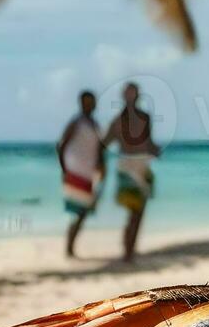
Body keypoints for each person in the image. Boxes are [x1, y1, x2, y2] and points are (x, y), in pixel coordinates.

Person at [104, 83, 160, 262]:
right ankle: (128, 251)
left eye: (132, 94)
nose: (130, 97)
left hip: (142, 166)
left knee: (138, 212)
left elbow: (148, 142)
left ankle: (129, 250)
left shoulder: (144, 118)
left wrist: (155, 151)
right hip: (127, 168)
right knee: (134, 212)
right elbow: (104, 142)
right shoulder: (118, 121)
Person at [57, 90, 105, 258]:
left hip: (88, 173)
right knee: (77, 212)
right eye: (87, 102)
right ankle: (69, 248)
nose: (90, 105)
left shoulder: (94, 124)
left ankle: (70, 247)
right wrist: (64, 169)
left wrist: (101, 166)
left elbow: (100, 149)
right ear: (81, 103)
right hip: (75, 171)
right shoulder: (77, 122)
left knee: (83, 211)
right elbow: (61, 144)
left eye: (92, 101)